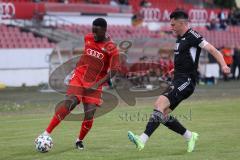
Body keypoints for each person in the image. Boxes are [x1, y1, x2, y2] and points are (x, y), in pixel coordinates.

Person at [127, 10, 230, 153]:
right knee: (161, 114)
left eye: (173, 24)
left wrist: (224, 65)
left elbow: (213, 50)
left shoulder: (193, 36)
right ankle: (190, 136)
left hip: (187, 81)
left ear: (182, 23)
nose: (171, 27)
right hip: (178, 79)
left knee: (159, 104)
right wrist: (174, 71)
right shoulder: (179, 39)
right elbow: (185, 59)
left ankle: (142, 139)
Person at [36, 18, 119, 150]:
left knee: (89, 114)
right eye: (93, 31)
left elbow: (114, 71)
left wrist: (98, 84)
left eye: (97, 31)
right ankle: (46, 133)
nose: (94, 34)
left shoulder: (112, 49)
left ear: (104, 30)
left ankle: (79, 140)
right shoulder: (88, 38)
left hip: (95, 83)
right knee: (71, 102)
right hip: (80, 76)